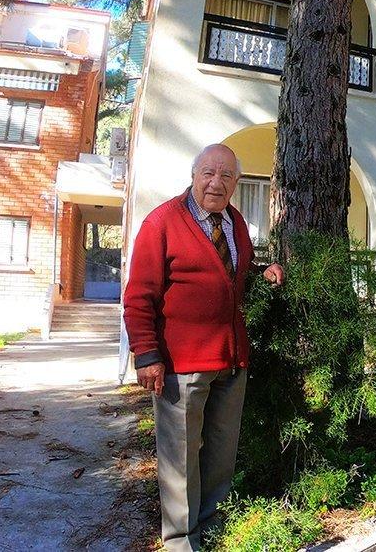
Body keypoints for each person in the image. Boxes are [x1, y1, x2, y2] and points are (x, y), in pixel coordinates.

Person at [123, 144, 284, 551]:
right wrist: (146, 355)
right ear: (194, 175)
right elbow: (139, 295)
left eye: (227, 176)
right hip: (181, 365)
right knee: (180, 457)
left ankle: (212, 527)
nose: (217, 182)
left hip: (231, 360)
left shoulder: (235, 222)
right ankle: (181, 541)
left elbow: (234, 272)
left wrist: (263, 270)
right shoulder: (162, 222)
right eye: (209, 173)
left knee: (220, 452)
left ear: (236, 183)